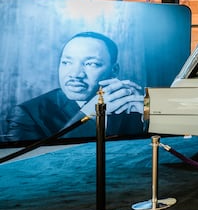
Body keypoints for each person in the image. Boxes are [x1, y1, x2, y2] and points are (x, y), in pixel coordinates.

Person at [5, 31, 146, 142]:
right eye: (67, 62)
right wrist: (89, 113)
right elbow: (32, 169)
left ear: (114, 70)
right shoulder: (27, 114)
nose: (75, 74)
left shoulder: (130, 103)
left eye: (91, 64)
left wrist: (151, 118)